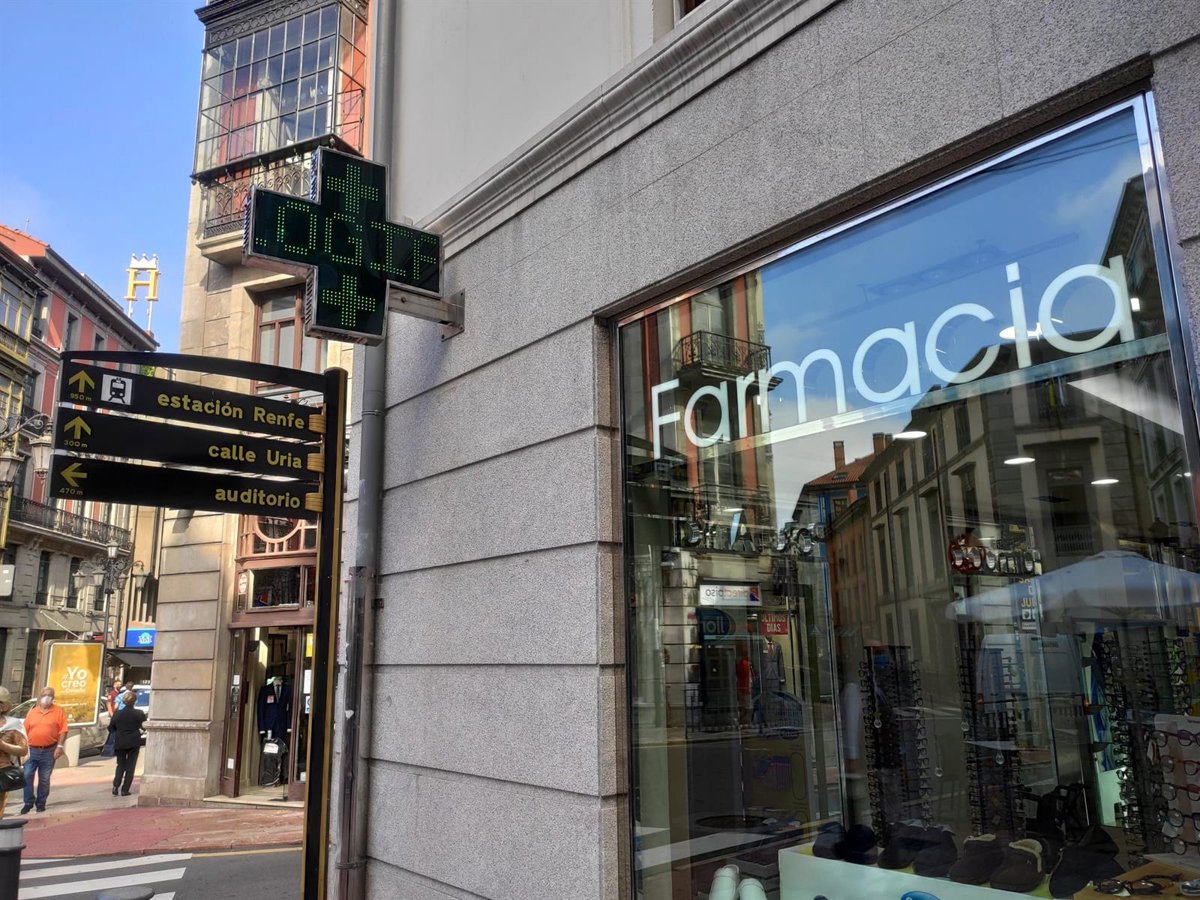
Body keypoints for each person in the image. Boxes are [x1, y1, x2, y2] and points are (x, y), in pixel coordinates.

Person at [22, 687, 67, 814]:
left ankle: (41, 803)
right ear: (40, 696)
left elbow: (63, 730)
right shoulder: (33, 712)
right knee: (27, 775)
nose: (47, 697)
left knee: (44, 778)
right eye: (44, 695)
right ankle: (28, 802)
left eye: (50, 695)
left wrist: (59, 747)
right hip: (32, 750)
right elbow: (24, 731)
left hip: (49, 750)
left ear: (53, 697)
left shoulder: (58, 711)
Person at [109, 691, 146, 797]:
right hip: (134, 741)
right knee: (131, 766)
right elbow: (144, 726)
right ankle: (125, 789)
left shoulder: (117, 713)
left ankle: (116, 786)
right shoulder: (139, 713)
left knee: (120, 764)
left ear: (123, 701)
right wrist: (139, 731)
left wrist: (119, 731)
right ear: (135, 701)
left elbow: (111, 727)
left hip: (120, 741)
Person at [0, 688, 27, 819]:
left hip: (2, 771)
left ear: (2, 707)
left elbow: (23, 750)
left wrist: (3, 746)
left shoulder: (11, 725)